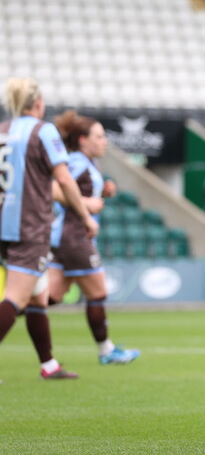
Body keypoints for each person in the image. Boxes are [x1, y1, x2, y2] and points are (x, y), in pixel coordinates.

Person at [0, 79, 99, 380]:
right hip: (28, 226)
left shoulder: (3, 131)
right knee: (16, 297)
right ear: (39, 103)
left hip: (4, 221)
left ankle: (49, 364)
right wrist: (86, 216)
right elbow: (65, 180)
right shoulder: (43, 131)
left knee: (38, 297)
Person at [26, 111, 139, 370]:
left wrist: (102, 192)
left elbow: (78, 192)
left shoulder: (87, 162)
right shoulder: (75, 161)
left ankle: (7, 314)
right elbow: (54, 188)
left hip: (65, 237)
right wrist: (88, 202)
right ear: (82, 139)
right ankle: (106, 351)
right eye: (99, 137)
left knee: (48, 296)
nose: (104, 142)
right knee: (97, 292)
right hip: (74, 237)